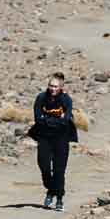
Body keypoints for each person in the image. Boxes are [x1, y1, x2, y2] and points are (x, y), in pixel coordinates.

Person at [31, 73, 77, 211]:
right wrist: (55, 120)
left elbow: (66, 120)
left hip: (61, 138)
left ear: (61, 87)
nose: (53, 88)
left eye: (56, 86)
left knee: (59, 170)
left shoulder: (66, 100)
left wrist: (48, 120)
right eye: (51, 85)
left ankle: (59, 199)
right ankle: (51, 189)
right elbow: (38, 119)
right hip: (44, 137)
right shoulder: (41, 98)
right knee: (43, 165)